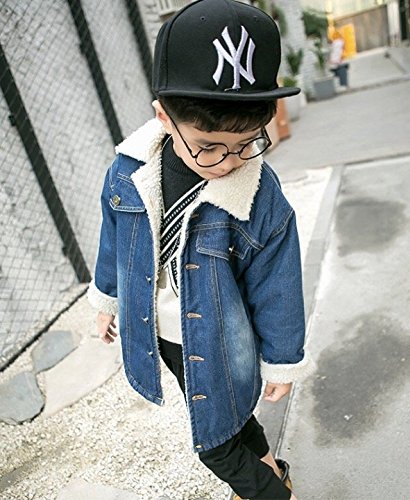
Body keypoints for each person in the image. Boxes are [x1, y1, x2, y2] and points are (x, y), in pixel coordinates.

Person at [87, 0, 312, 498]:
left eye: (247, 143)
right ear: (164, 118)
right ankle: (273, 471)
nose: (229, 162)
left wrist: (283, 360)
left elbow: (278, 284)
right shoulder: (129, 170)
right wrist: (107, 300)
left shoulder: (260, 196)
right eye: (208, 146)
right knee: (230, 420)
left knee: (213, 443)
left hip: (223, 337)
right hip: (164, 333)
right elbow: (114, 239)